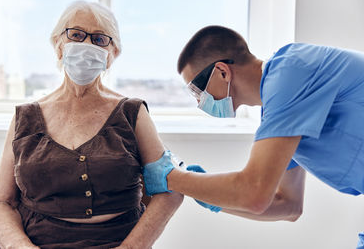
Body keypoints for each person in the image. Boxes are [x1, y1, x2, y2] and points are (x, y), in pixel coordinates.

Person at [142, 25, 364, 248]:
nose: (199, 102)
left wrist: (171, 177)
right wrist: (208, 196)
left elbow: (254, 192)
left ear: (222, 71)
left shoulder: (291, 71)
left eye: (196, 91)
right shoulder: (281, 111)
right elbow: (288, 205)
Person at [0, 0, 183, 249]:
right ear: (58, 44)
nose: (86, 45)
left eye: (100, 39)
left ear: (113, 55)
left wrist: (131, 248)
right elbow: (0, 203)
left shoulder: (132, 113)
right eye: (76, 35)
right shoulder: (25, 118)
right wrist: (20, 247)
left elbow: (169, 192)